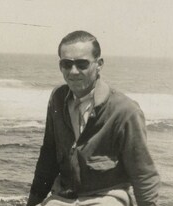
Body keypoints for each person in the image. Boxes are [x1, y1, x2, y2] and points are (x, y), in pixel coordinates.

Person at [26, 31, 160, 206]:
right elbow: (48, 157)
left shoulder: (125, 111)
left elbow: (143, 174)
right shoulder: (58, 99)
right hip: (64, 198)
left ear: (99, 64)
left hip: (107, 198)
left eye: (82, 64)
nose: (73, 72)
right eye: (66, 64)